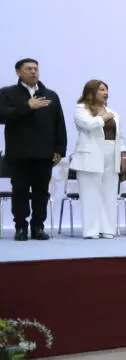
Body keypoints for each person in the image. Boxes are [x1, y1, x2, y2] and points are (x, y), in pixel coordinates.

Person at [0, 58, 67, 241]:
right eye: (28, 69)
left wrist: (60, 149)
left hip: (44, 154)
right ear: (18, 72)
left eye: (36, 69)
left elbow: (59, 124)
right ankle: (20, 227)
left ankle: (38, 226)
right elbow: (2, 116)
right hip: (19, 153)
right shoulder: (7, 93)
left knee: (41, 192)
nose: (33, 72)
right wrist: (27, 106)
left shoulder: (50, 95)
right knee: (20, 191)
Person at [70, 80, 126, 239]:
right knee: (90, 193)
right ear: (91, 92)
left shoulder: (112, 112)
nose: (105, 92)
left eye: (106, 90)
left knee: (109, 193)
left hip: (112, 154)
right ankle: (91, 230)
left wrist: (123, 155)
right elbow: (87, 125)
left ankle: (108, 229)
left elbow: (120, 136)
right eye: (101, 89)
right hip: (91, 155)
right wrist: (103, 118)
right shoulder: (81, 109)